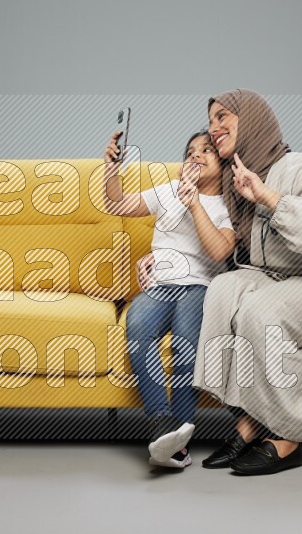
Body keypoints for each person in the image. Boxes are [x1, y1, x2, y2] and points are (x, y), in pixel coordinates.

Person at [149, 89, 302, 475]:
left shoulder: (301, 167)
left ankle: (287, 438)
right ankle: (249, 419)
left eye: (223, 117)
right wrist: (162, 258)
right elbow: (231, 254)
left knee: (262, 311)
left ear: (251, 119)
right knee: (221, 292)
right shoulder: (235, 188)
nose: (214, 128)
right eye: (210, 121)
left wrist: (268, 196)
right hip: (281, 279)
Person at [102, 130, 236, 468]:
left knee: (186, 341)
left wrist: (194, 203)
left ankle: (180, 442)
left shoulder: (227, 207)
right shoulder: (167, 193)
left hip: (200, 287)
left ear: (223, 163)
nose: (197, 155)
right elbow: (115, 203)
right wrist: (111, 170)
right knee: (138, 325)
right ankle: (164, 424)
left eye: (207, 150)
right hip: (160, 285)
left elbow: (220, 249)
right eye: (191, 151)